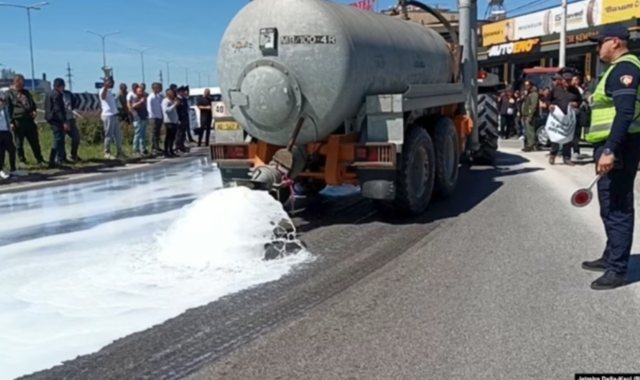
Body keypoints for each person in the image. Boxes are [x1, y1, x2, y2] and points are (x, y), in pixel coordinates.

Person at [581, 26, 640, 290]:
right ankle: (610, 256)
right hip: (614, 146)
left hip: (619, 147)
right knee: (608, 204)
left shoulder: (624, 69)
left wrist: (610, 150)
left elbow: (625, 113)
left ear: (615, 42)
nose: (597, 48)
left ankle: (617, 269)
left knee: (617, 207)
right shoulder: (615, 70)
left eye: (600, 43)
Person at [6, 74, 45, 165]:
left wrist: (34, 111)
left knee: (34, 141)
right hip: (18, 120)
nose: (21, 84)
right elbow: (9, 109)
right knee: (19, 142)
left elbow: (32, 104)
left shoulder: (26, 93)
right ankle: (22, 159)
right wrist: (11, 122)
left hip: (29, 120)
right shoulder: (10, 94)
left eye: (22, 82)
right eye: (19, 82)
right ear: (15, 82)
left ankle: (39, 159)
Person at [548, 71, 582, 165]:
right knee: (556, 136)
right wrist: (550, 105)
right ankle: (553, 154)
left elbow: (580, 101)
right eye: (565, 80)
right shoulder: (555, 89)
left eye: (569, 80)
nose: (567, 82)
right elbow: (548, 100)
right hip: (557, 117)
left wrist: (576, 104)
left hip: (569, 118)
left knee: (568, 137)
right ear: (562, 80)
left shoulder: (575, 90)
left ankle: (566, 158)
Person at [44, 78, 70, 167]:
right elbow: (58, 109)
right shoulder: (56, 95)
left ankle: (61, 158)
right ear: (60, 86)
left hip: (51, 119)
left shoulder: (49, 94)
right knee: (58, 140)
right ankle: (53, 160)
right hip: (56, 120)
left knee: (60, 140)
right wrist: (64, 121)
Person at [100, 77, 124, 160]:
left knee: (118, 135)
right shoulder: (103, 90)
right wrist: (105, 87)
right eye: (111, 82)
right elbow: (103, 97)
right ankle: (107, 152)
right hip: (108, 115)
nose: (113, 84)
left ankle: (120, 152)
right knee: (108, 135)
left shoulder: (110, 92)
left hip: (114, 115)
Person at [0, 91, 17, 179]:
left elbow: (8, 115)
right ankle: (1, 169)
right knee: (1, 152)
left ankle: (13, 169)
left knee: (12, 149)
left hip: (6, 131)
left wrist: (10, 124)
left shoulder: (5, 107)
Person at [62, 87, 82, 162]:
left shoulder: (68, 94)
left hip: (70, 119)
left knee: (76, 137)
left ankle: (74, 154)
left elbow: (74, 102)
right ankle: (62, 157)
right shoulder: (55, 95)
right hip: (61, 120)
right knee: (61, 139)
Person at [129, 85, 149, 155]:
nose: (141, 92)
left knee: (143, 135)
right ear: (137, 92)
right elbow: (133, 106)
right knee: (137, 134)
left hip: (143, 118)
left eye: (142, 91)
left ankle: (142, 149)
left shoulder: (144, 98)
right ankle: (135, 149)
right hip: (138, 118)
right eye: (140, 91)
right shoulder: (135, 98)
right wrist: (140, 101)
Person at [571, 75, 588, 159]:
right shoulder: (569, 89)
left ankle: (576, 150)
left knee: (577, 133)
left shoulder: (581, 89)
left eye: (576, 80)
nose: (574, 81)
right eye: (573, 80)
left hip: (579, 113)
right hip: (571, 113)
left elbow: (585, 98)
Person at [521, 80, 539, 152]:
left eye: (527, 85)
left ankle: (531, 145)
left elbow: (533, 106)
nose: (526, 87)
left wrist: (530, 115)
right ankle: (530, 144)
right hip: (525, 114)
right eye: (525, 85)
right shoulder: (528, 94)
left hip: (529, 115)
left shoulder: (534, 94)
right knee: (527, 131)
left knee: (530, 131)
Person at [162, 88, 180, 158]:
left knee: (172, 138)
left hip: (174, 121)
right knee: (168, 137)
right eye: (171, 93)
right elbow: (166, 110)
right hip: (168, 122)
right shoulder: (165, 101)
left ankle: (171, 150)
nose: (173, 95)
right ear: (168, 94)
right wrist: (174, 105)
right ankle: (166, 152)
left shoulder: (172, 101)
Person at [147, 82, 164, 154]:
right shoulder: (151, 97)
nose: (159, 89)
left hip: (159, 116)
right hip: (153, 117)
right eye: (157, 87)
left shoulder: (159, 96)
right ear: (153, 88)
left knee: (158, 133)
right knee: (154, 133)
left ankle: (157, 146)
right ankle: (153, 147)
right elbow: (149, 108)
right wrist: (153, 117)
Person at [175, 86, 190, 153]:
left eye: (184, 91)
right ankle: (178, 146)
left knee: (183, 133)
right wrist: (178, 119)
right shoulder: (177, 99)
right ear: (179, 92)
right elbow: (177, 111)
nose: (184, 93)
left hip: (185, 118)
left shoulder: (184, 99)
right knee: (179, 133)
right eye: (182, 92)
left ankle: (182, 145)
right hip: (180, 118)